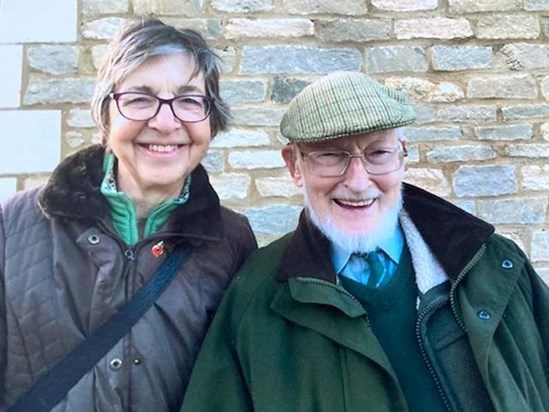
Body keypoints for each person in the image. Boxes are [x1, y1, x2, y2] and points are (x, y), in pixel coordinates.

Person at [180, 71, 549, 412]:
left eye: (377, 153)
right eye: (329, 155)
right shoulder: (255, 298)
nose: (357, 182)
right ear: (294, 166)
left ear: (402, 155)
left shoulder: (493, 264)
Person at [0, 17, 257, 411]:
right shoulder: (12, 227)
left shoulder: (232, 243)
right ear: (106, 115)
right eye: (139, 98)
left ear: (212, 120)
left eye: (189, 100)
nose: (165, 122)